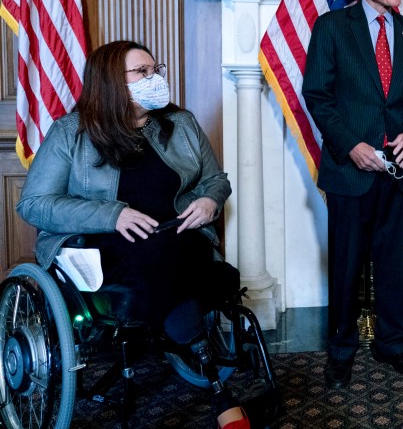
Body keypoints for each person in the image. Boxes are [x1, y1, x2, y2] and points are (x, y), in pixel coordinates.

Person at [16, 40, 248, 429]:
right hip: (100, 243)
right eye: (142, 72)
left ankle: (179, 327)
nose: (154, 78)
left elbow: (215, 181)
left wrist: (209, 201)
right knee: (185, 266)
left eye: (155, 69)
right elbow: (34, 204)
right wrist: (113, 215)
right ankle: (214, 382)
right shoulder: (71, 132)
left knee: (185, 252)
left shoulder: (182, 124)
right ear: (110, 82)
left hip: (176, 236)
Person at [302, 0, 403, 389]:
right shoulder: (331, 28)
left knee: (391, 265)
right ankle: (341, 352)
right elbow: (317, 96)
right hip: (350, 171)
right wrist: (350, 146)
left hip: (399, 174)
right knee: (345, 266)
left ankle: (392, 345)